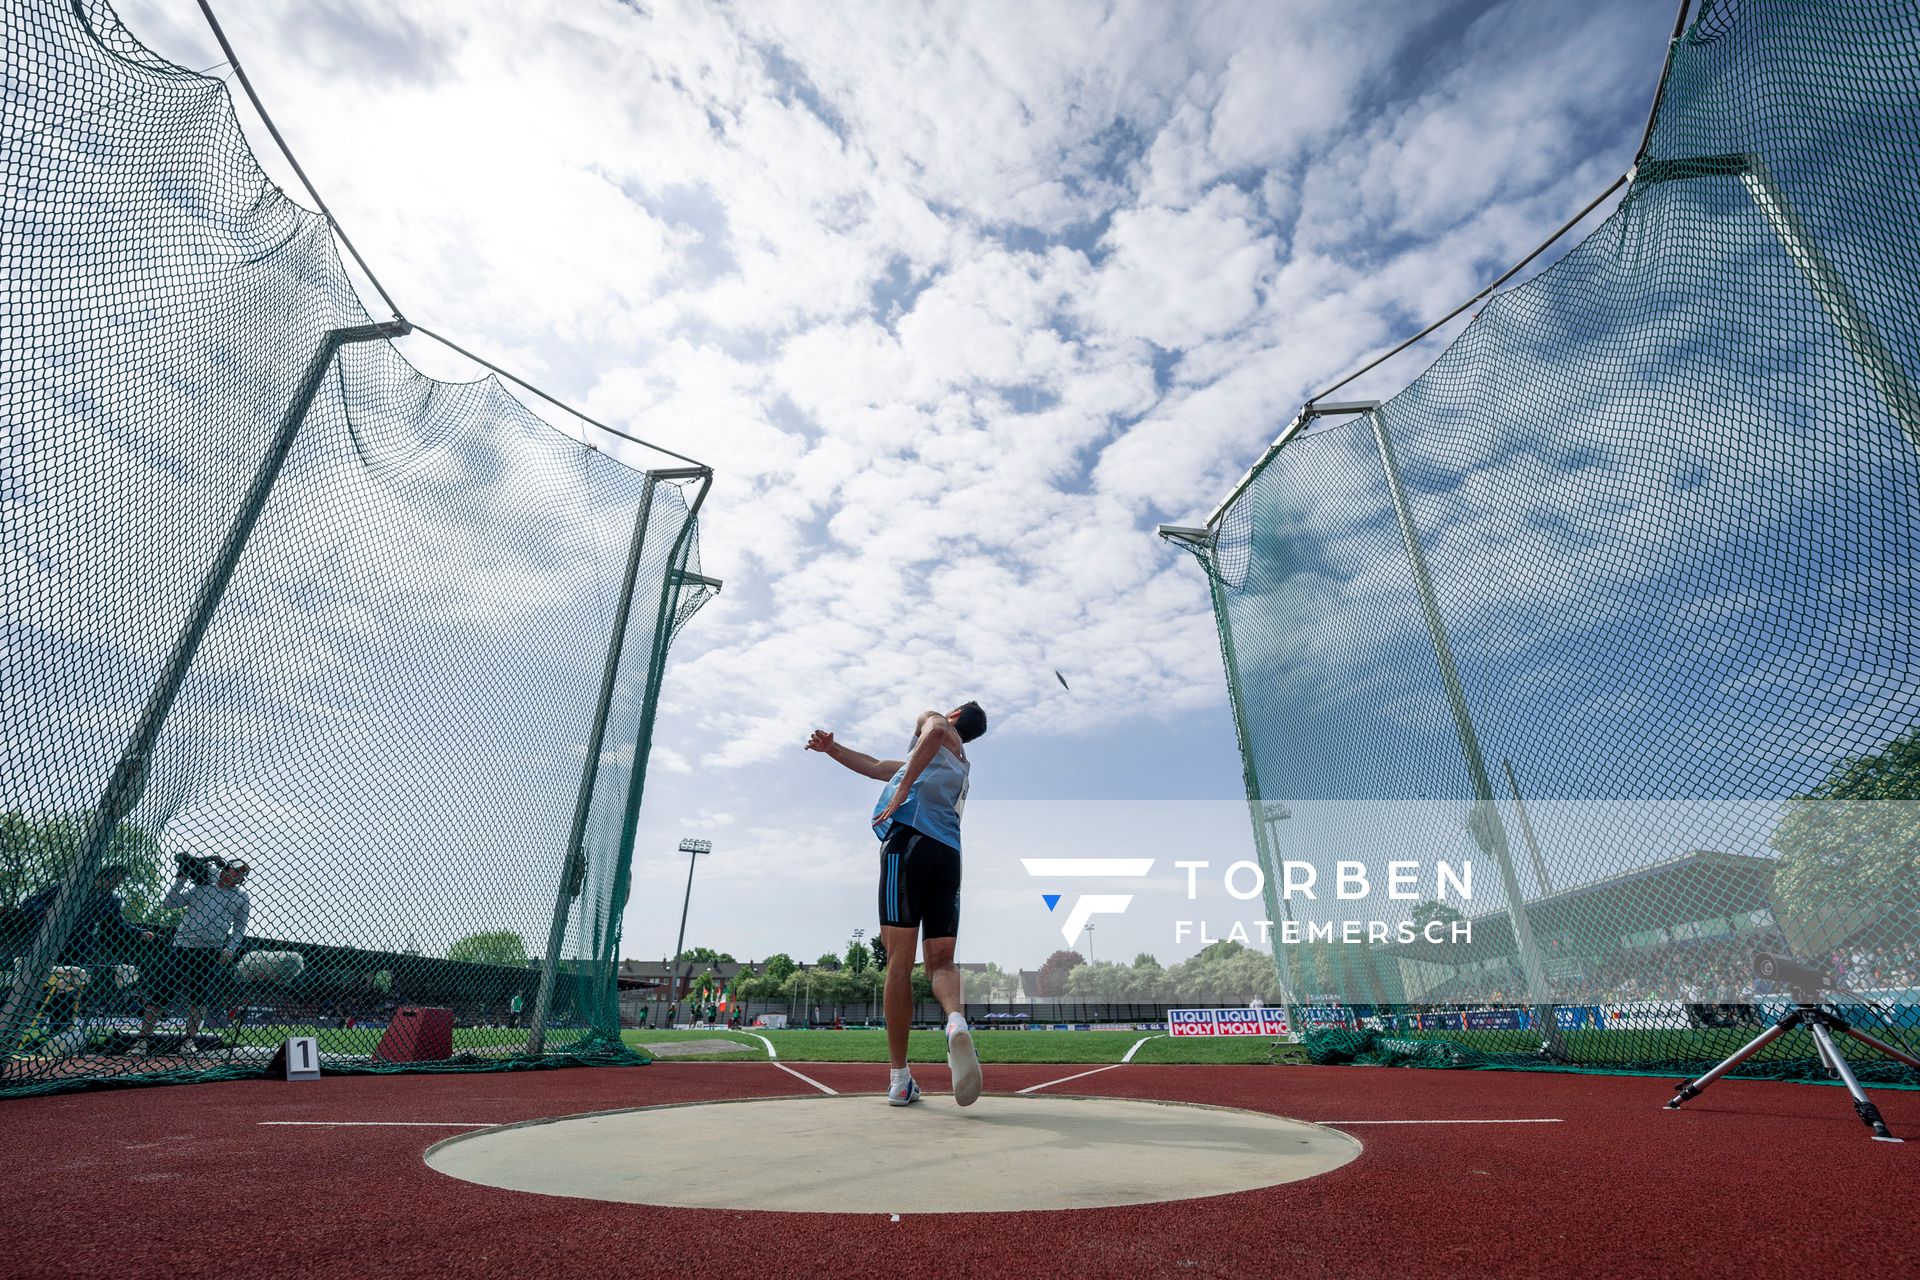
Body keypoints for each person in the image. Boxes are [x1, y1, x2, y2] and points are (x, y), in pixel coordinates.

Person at [807, 701, 988, 1107]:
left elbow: (935, 731)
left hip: (907, 844)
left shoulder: (937, 722)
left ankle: (900, 1077)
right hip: (948, 855)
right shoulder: (957, 766)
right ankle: (955, 1021)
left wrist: (903, 790)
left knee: (899, 962)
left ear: (957, 713)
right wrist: (833, 750)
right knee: (942, 962)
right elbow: (875, 766)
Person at [9, 864, 156, 1036]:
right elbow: (30, 903)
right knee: (33, 982)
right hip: (50, 944)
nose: (116, 885)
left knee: (68, 987)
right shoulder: (70, 888)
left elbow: (118, 925)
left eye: (119, 882)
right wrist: (45, 911)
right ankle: (16, 1022)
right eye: (114, 880)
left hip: (78, 949)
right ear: (101, 878)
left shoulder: (111, 900)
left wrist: (139, 933)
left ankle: (59, 1031)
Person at [130, 859, 251, 1056]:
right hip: (182, 947)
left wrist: (230, 949)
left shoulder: (241, 898)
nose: (240, 876)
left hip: (211, 952)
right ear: (225, 870)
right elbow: (168, 904)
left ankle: (188, 1042)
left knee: (200, 998)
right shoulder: (200, 889)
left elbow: (239, 929)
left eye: (243, 874)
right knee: (161, 994)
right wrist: (182, 878)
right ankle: (141, 1041)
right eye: (237, 871)